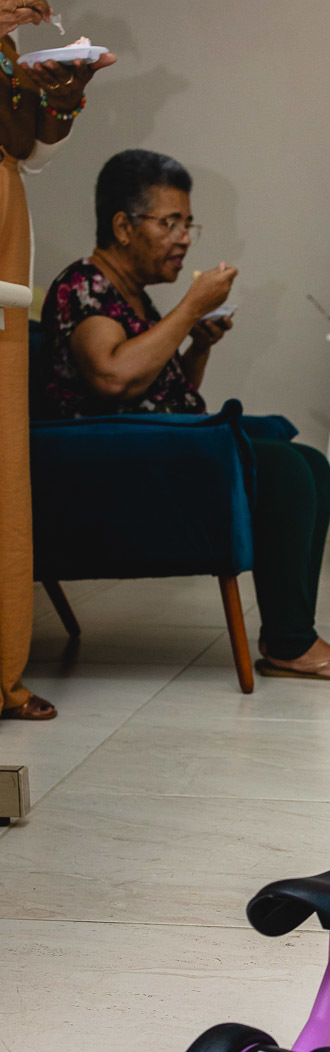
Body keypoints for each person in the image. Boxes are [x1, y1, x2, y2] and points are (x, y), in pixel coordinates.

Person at [39, 149, 330, 680]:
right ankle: (290, 642)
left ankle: (288, 634)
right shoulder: (85, 286)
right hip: (103, 466)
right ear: (122, 226)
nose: (185, 238)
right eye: (170, 222)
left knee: (309, 463)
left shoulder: (134, 298)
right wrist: (190, 307)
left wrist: (199, 344)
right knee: (284, 471)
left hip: (149, 445)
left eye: (187, 224)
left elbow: (164, 393)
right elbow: (112, 377)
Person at [0, 0, 114, 720]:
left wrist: (67, 90)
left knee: (4, 461)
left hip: (7, 232)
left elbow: (28, 147)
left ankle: (2, 669)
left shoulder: (10, 48)